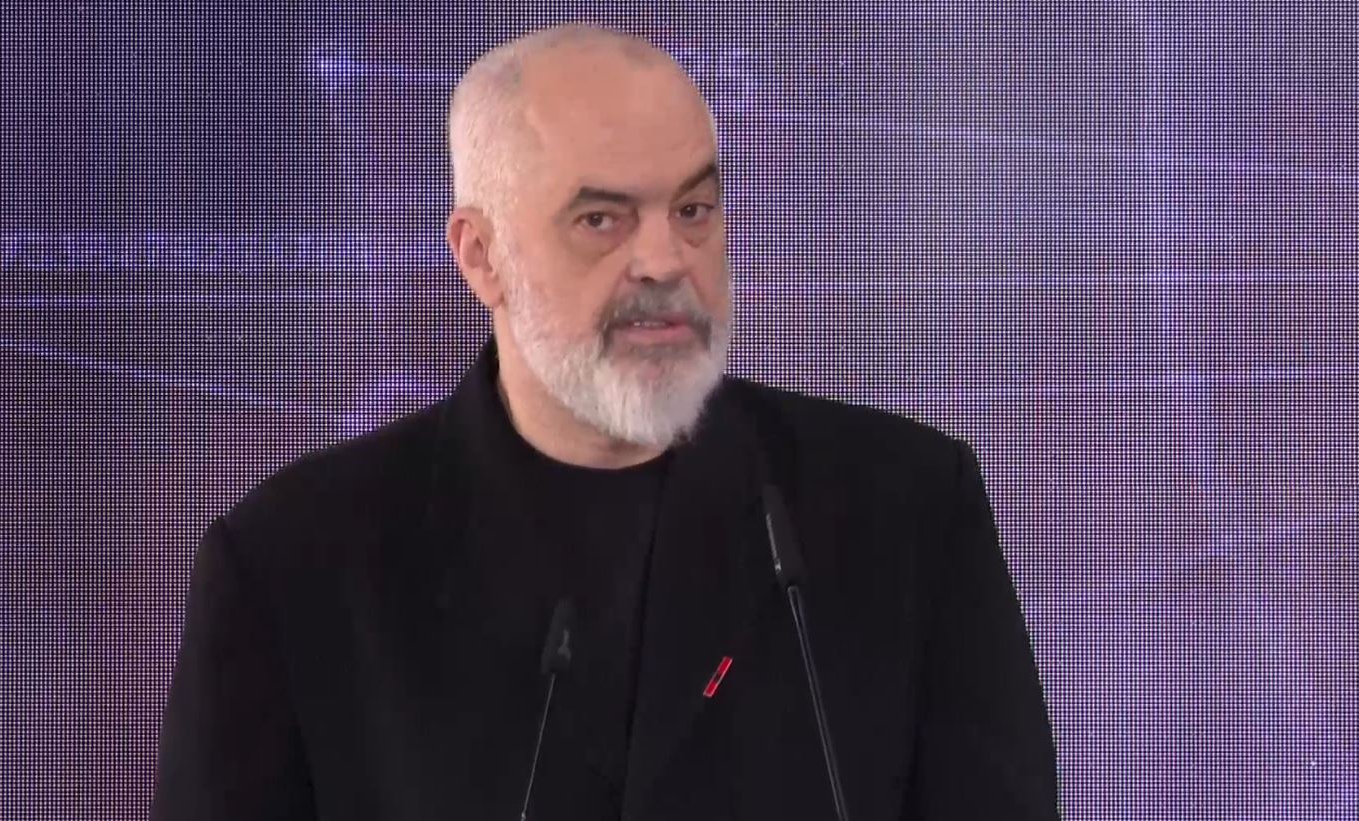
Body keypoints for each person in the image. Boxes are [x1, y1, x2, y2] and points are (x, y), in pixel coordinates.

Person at [151, 23, 1059, 821]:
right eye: (601, 220)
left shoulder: (906, 508)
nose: (664, 260)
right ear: (481, 255)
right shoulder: (293, 564)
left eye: (693, 210)